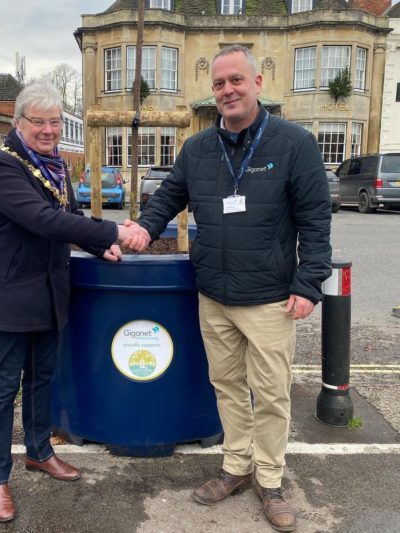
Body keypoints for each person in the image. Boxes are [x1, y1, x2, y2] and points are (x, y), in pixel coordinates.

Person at [137, 45, 332, 532]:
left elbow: (315, 219)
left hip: (270, 298)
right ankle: (237, 467)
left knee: (269, 394)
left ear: (257, 83)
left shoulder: (293, 143)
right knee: (226, 387)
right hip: (214, 296)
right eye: (220, 84)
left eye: (236, 81)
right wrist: (142, 229)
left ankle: (270, 479)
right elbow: (168, 197)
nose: (227, 90)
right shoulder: (198, 148)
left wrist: (309, 282)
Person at [0, 82, 149, 523]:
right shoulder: (3, 165)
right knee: (3, 387)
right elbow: (42, 220)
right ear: (19, 123)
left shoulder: (53, 166)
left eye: (54, 122)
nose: (49, 130)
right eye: (39, 122)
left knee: (42, 378)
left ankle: (39, 451)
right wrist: (113, 232)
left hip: (49, 293)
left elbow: (67, 219)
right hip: (9, 296)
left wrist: (93, 247)